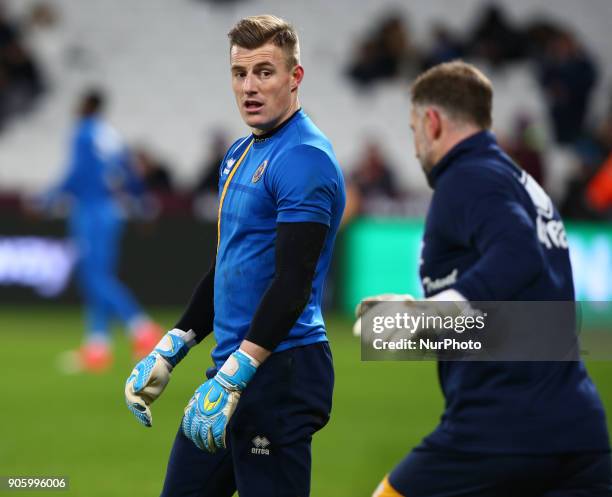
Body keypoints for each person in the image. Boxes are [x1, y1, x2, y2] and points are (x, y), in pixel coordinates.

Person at [359, 61, 611, 496]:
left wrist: (425, 316)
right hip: (577, 430)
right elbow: (512, 322)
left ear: (432, 122)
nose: (415, 147)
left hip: (501, 428)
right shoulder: (520, 182)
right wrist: (412, 323)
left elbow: (517, 256)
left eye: (414, 129)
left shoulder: (467, 178)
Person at [124, 15, 345, 497]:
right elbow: (226, 268)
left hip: (279, 372)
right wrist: (173, 346)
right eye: (239, 73)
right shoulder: (239, 152)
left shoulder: (305, 159)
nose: (249, 86)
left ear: (295, 77)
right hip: (232, 371)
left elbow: (292, 286)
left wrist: (235, 378)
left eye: (264, 72)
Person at [42, 89, 163, 372]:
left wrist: (47, 199)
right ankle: (98, 347)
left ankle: (142, 329)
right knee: (98, 276)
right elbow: (130, 175)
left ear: (86, 105)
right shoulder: (110, 136)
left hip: (90, 211)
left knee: (94, 277)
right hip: (112, 212)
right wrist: (141, 203)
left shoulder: (83, 133)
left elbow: (77, 174)